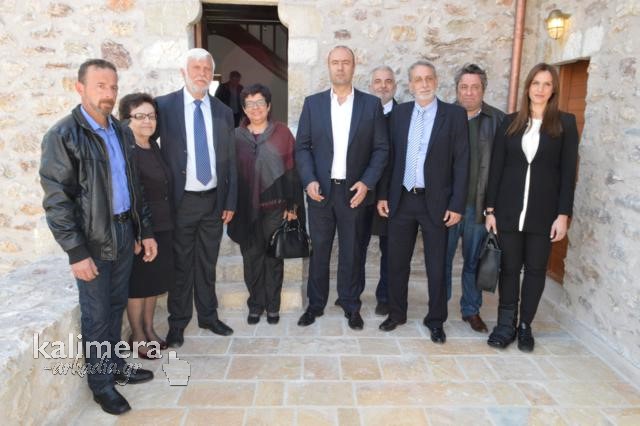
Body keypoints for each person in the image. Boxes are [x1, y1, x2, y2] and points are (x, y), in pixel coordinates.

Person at [40, 59, 156, 415]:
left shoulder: (120, 131)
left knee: (116, 306)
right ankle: (102, 385)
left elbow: (133, 187)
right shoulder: (63, 135)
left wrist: (143, 230)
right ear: (80, 88)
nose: (108, 94)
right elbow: (57, 201)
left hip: (123, 233)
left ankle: (116, 366)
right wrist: (76, 252)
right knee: (96, 315)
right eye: (100, 86)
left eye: (113, 87)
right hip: (92, 242)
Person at [485, 62, 579, 352]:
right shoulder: (509, 122)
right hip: (508, 212)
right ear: (527, 87)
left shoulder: (565, 124)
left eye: (546, 84)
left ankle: (525, 326)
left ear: (553, 90)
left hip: (544, 214)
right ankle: (505, 325)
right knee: (509, 269)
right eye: (536, 83)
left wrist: (563, 215)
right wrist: (490, 210)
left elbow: (568, 174)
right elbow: (496, 168)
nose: (540, 89)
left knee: (536, 270)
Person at [295, 45, 388, 330]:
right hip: (320, 191)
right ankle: (315, 305)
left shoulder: (370, 105)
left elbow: (381, 149)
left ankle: (351, 305)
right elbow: (302, 147)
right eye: (335, 62)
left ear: (353, 66)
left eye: (345, 62)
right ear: (329, 66)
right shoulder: (313, 104)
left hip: (354, 193)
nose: (340, 67)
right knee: (320, 251)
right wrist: (309, 179)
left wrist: (367, 182)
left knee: (352, 252)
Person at [377, 60, 469, 345]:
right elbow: (389, 157)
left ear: (436, 81)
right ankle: (397, 313)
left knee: (437, 266)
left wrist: (457, 204)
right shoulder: (400, 114)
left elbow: (462, 162)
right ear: (410, 84)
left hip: (436, 203)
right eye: (418, 79)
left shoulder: (454, 115)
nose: (424, 84)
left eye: (429, 78)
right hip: (402, 199)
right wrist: (382, 195)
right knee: (396, 262)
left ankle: (436, 320)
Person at [156, 48, 237, 347]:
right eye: (196, 68)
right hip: (181, 201)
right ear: (184, 72)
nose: (201, 73)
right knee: (181, 265)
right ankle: (178, 323)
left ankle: (208, 316)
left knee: (207, 262)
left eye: (207, 69)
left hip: (213, 201)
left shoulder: (223, 111)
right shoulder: (164, 106)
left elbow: (230, 161)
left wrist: (230, 200)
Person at [228, 83, 304, 325]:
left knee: (273, 260)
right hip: (245, 210)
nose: (255, 108)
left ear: (269, 105)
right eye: (249, 104)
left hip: (276, 207)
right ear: (243, 109)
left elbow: (293, 170)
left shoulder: (282, 133)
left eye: (260, 102)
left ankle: (273, 306)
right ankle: (255, 305)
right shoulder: (235, 137)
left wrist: (293, 207)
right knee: (251, 260)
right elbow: (229, 174)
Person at [445, 64, 505, 333]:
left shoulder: (499, 121)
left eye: (475, 87)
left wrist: (495, 208)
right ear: (457, 89)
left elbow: (503, 168)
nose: (469, 92)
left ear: (483, 89)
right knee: (442, 260)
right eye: (464, 87)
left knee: (473, 262)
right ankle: (438, 307)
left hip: (478, 207)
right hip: (447, 206)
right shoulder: (444, 116)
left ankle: (471, 310)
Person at [118, 93, 174, 358]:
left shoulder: (153, 146)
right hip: (141, 229)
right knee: (138, 286)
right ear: (126, 120)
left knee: (154, 282)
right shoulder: (126, 152)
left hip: (163, 225)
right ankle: (137, 335)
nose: (147, 121)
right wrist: (141, 232)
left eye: (151, 116)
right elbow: (132, 196)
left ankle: (149, 329)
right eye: (139, 116)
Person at [359, 65, 397, 316]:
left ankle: (385, 297)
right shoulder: (360, 113)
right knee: (356, 246)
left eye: (388, 81)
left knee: (390, 250)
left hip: (390, 196)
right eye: (378, 81)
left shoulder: (404, 115)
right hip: (361, 192)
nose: (383, 86)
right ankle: (352, 294)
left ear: (395, 86)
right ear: (371, 85)